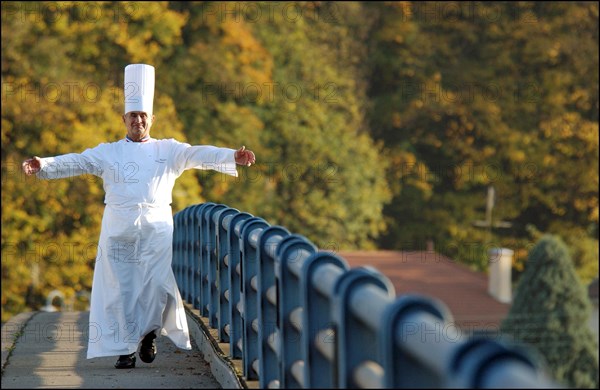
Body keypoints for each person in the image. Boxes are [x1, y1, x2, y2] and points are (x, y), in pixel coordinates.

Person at [21, 64, 256, 369]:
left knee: (157, 286)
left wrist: (230, 156)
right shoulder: (109, 152)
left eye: (143, 115)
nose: (138, 120)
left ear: (151, 120)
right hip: (118, 227)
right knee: (123, 290)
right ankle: (125, 349)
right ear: (124, 119)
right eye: (133, 115)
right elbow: (77, 161)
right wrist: (45, 164)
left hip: (157, 226)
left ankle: (148, 334)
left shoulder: (168, 149)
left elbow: (198, 153)